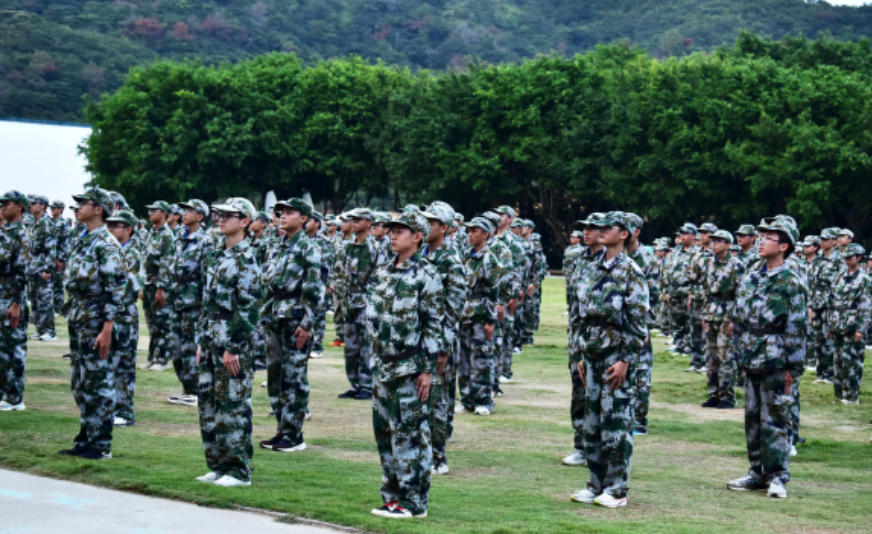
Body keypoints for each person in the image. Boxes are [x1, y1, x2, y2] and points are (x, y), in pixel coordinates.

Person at [367, 211, 443, 519]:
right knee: (385, 433)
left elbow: (434, 325)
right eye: (392, 230)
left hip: (410, 367)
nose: (392, 235)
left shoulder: (427, 275)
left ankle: (414, 502)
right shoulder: (384, 271)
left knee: (410, 435)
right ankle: (392, 497)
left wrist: (427, 370)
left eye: (400, 230)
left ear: (417, 237)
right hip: (382, 365)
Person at [570, 211, 648, 508]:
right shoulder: (591, 267)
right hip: (591, 354)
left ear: (624, 234)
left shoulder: (631, 271)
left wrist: (626, 361)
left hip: (616, 355)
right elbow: (581, 314)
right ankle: (595, 482)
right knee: (591, 423)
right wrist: (580, 352)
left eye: (607, 227)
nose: (600, 231)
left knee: (615, 423)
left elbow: (637, 323)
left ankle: (617, 488)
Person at [727, 216, 806, 499]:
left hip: (777, 358)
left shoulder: (791, 281)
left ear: (784, 245)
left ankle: (777, 476)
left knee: (776, 419)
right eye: (760, 237)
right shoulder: (752, 276)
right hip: (751, 356)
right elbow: (739, 317)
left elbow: (797, 328)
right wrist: (739, 353)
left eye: (769, 238)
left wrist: (793, 369)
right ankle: (757, 472)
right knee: (753, 419)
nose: (761, 242)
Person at [195, 197, 261, 487]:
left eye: (229, 215)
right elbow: (206, 302)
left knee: (232, 405)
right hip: (211, 338)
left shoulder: (248, 258)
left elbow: (248, 308)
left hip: (233, 341)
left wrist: (232, 347)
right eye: (219, 214)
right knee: (208, 405)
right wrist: (202, 340)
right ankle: (217, 464)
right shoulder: (215, 254)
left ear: (245, 221)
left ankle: (238, 470)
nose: (221, 219)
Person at [59, 188, 125, 460]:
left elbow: (116, 288)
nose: (78, 208)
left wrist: (107, 328)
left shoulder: (106, 244)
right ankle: (86, 437)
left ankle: (100, 444)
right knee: (81, 382)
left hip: (97, 318)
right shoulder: (82, 238)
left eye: (84, 203)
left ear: (99, 209)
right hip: (79, 316)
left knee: (98, 382)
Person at [259, 198, 323, 453]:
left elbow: (314, 289)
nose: (283, 216)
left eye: (290, 212)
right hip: (275, 315)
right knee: (275, 375)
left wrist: (307, 324)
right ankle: (281, 428)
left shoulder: (308, 248)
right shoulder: (276, 245)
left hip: (296, 318)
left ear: (304, 218)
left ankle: (294, 434)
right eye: (280, 212)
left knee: (294, 377)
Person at [421, 202, 467, 476]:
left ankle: (438, 457)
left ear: (445, 228)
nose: (426, 225)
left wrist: (442, 348)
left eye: (432, 221)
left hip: (440, 341)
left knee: (437, 399)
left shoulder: (451, 259)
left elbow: (454, 308)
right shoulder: (421, 253)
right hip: (420, 338)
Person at [563, 213, 605, 466]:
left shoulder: (614, 263)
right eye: (584, 229)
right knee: (580, 390)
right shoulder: (577, 260)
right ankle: (581, 444)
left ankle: (602, 448)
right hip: (579, 336)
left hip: (604, 340)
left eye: (592, 228)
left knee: (604, 395)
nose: (585, 233)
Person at [168, 199, 212, 406]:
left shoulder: (206, 241)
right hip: (177, 299)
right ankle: (186, 388)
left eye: (190, 210)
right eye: (184, 209)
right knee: (175, 348)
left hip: (194, 302)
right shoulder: (179, 238)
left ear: (200, 216)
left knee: (190, 347)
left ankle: (195, 390)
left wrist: (205, 306)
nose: (184, 213)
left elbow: (207, 276)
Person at [336, 208, 382, 400]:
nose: (353, 222)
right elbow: (339, 273)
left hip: (366, 303)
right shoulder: (347, 247)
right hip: (348, 302)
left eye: (358, 219)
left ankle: (366, 384)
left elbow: (379, 278)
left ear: (369, 223)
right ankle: (355, 383)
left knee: (366, 346)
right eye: (352, 219)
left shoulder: (375, 248)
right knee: (351, 347)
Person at [457, 217, 500, 416]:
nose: (470, 234)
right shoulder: (467, 256)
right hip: (465, 313)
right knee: (464, 358)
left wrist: (491, 321)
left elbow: (493, 292)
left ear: (486, 234)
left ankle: (483, 399)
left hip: (481, 314)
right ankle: (467, 399)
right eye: (469, 231)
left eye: (475, 231)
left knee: (481, 358)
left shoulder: (489, 258)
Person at [699, 230, 744, 409]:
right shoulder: (709, 263)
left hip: (727, 314)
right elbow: (705, 289)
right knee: (710, 356)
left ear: (727, 245)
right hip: (711, 313)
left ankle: (727, 395)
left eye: (719, 241)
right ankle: (713, 393)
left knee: (725, 355)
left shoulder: (736, 265)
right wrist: (704, 313)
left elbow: (741, 294)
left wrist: (735, 319)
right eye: (713, 241)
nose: (714, 244)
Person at [105, 209, 142, 426]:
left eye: (115, 226)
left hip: (125, 314)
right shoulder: (113, 250)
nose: (110, 229)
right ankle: (113, 407)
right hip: (112, 312)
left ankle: (125, 411)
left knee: (124, 363)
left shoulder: (132, 253)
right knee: (110, 361)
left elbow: (130, 285)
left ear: (128, 229)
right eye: (108, 225)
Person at [0, 191, 32, 412]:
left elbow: (23, 271)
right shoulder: (5, 232)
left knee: (14, 350)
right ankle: (4, 392)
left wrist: (17, 303)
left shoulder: (21, 234)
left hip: (12, 299)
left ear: (19, 206)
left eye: (6, 204)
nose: (2, 207)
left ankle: (15, 397)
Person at [828, 243, 870, 405]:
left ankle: (851, 396)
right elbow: (832, 301)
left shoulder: (864, 279)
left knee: (851, 362)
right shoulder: (839, 276)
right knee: (837, 362)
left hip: (853, 326)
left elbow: (865, 306)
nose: (846, 260)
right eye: (845, 257)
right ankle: (839, 395)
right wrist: (830, 324)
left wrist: (861, 328)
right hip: (838, 324)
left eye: (850, 257)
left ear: (859, 258)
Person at [142, 200, 176, 371]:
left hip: (158, 285)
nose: (150, 213)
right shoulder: (151, 233)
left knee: (162, 324)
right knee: (152, 324)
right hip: (147, 284)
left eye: (154, 211)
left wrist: (161, 288)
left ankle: (162, 359)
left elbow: (166, 263)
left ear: (163, 213)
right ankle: (152, 357)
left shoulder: (167, 235)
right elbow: (144, 259)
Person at [808, 227, 843, 384]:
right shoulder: (818, 259)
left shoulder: (839, 260)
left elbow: (840, 285)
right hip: (816, 303)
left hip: (830, 304)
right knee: (818, 339)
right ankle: (820, 373)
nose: (822, 242)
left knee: (829, 339)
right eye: (821, 239)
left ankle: (830, 374)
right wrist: (809, 306)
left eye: (826, 239)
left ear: (834, 241)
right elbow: (811, 284)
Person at [27, 195, 58, 341]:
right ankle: (40, 329)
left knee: (45, 299)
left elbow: (51, 248)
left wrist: (48, 269)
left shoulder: (47, 223)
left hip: (42, 267)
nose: (31, 206)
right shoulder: (35, 222)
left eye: (34, 203)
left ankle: (50, 331)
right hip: (33, 266)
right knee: (35, 299)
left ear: (42, 206)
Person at [49, 200, 70, 311]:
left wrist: (60, 259)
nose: (51, 210)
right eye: (51, 208)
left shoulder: (64, 223)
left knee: (58, 284)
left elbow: (64, 243)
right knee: (49, 284)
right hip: (49, 258)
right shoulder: (49, 222)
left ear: (60, 209)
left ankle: (58, 308)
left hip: (58, 258)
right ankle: (51, 308)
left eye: (54, 208)